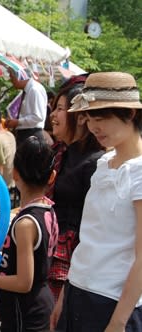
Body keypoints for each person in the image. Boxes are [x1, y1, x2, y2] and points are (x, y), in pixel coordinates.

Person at [50, 72, 142, 332]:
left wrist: (119, 321)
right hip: (78, 291)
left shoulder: (139, 171)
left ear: (129, 114)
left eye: (100, 118)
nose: (93, 127)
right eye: (89, 118)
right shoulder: (102, 163)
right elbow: (88, 237)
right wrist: (66, 294)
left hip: (112, 301)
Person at [0, 136, 58, 332]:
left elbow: (24, 282)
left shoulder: (25, 224)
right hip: (38, 304)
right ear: (52, 177)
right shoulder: (48, 210)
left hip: (25, 313)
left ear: (15, 174)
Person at [47, 75, 104, 302]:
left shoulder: (94, 162)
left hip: (71, 261)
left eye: (60, 108)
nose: (53, 115)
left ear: (80, 117)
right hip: (51, 251)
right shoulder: (62, 152)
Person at [5, 69, 48, 146]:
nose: (11, 80)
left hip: (31, 135)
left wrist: (18, 122)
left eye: (12, 77)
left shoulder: (34, 89)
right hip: (26, 134)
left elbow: (38, 117)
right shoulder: (29, 89)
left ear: (19, 76)